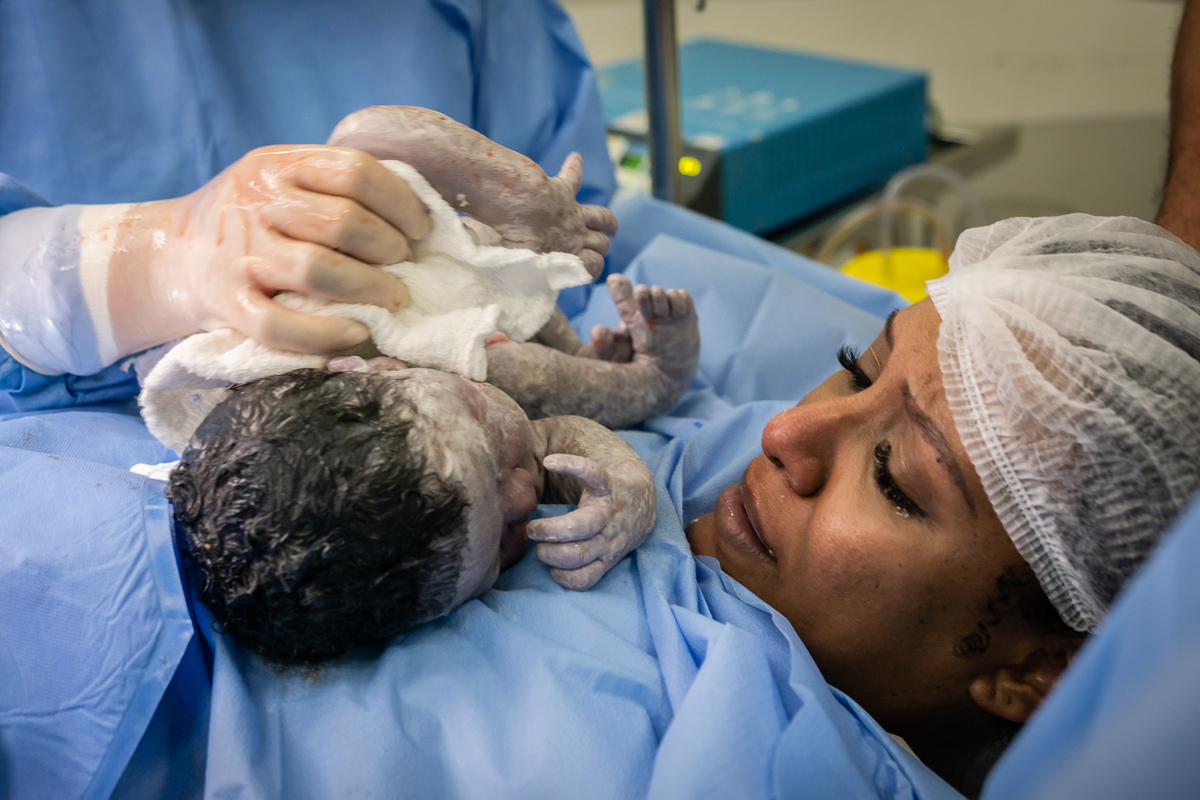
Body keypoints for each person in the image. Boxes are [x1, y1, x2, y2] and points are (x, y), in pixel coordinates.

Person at [167, 269, 700, 666]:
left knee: (522, 373)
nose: (525, 497)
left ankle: (657, 378)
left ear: (367, 370)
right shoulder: (447, 444)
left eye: (488, 435)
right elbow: (556, 437)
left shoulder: (304, 362)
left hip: (454, 288)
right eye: (498, 548)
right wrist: (626, 485)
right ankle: (591, 362)